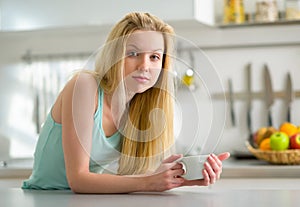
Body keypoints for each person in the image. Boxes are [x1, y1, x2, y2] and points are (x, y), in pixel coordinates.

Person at [22, 12, 230, 193]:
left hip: (87, 200)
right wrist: (149, 182)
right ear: (115, 55)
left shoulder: (141, 108)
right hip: (45, 198)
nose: (144, 65)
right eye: (133, 54)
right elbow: (78, 179)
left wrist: (181, 177)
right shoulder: (85, 86)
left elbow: (128, 179)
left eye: (154, 57)